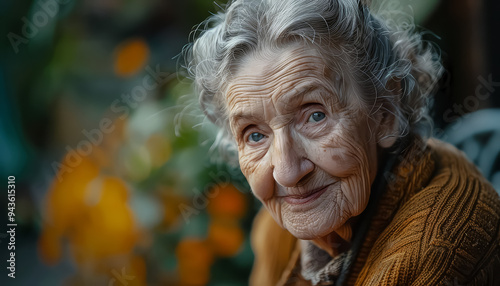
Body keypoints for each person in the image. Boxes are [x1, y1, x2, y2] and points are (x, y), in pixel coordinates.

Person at [185, 0, 500, 285]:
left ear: (385, 112)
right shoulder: (279, 228)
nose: (287, 172)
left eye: (315, 116)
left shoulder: (441, 244)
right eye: (255, 135)